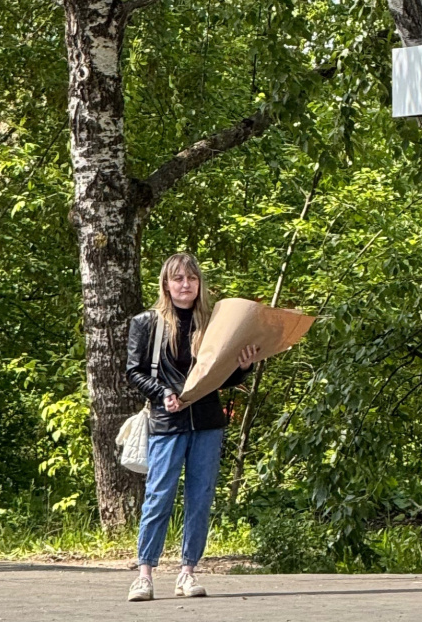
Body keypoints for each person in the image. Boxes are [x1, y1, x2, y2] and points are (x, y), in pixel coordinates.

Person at [125, 253, 260, 602]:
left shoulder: (214, 322)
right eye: (178, 279)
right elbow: (134, 371)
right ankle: (144, 575)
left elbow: (222, 375)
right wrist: (163, 393)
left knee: (199, 499)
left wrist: (244, 367)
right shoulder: (147, 322)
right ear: (166, 284)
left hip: (208, 423)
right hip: (166, 422)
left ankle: (188, 572)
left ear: (200, 284)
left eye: (191, 279)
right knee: (159, 497)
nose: (185, 285)